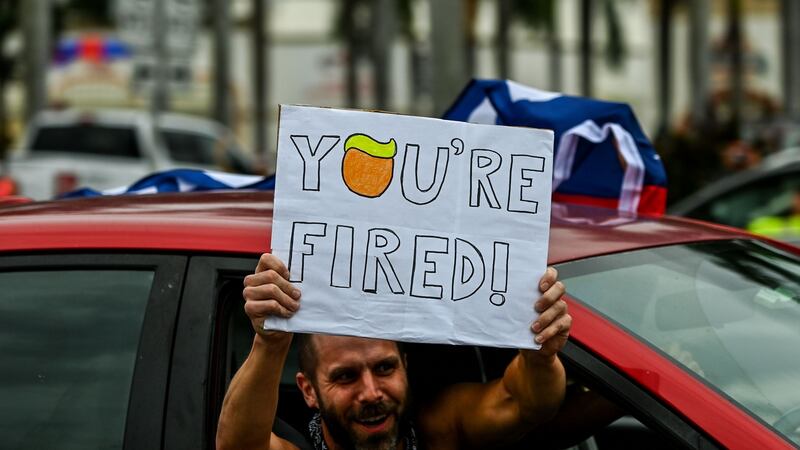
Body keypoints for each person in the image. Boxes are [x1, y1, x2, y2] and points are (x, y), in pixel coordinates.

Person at [217, 253, 573, 450]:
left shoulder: (438, 431)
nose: (371, 392)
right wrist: (270, 341)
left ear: (405, 365)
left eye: (385, 368)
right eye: (345, 376)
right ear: (308, 389)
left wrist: (540, 354)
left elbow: (527, 403)